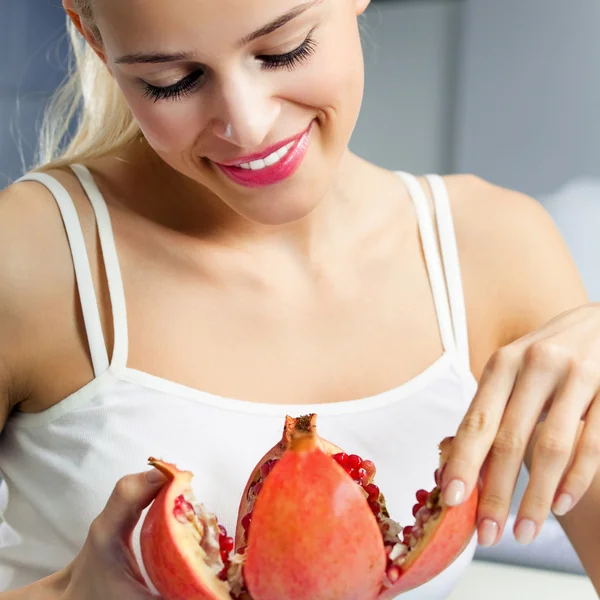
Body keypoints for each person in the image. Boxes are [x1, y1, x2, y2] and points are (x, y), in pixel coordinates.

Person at [0, 0, 599, 598]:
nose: (249, 125)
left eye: (284, 50)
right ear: (96, 41)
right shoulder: (27, 257)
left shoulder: (498, 247)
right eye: (171, 82)